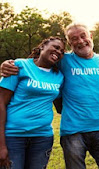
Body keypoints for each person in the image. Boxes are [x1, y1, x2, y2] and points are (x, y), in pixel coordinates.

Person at [0, 23, 99, 169]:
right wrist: (6, 65)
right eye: (74, 39)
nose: (81, 41)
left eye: (83, 36)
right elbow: (37, 64)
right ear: (70, 44)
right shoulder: (63, 60)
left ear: (91, 36)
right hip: (71, 131)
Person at [0, 37, 65, 169]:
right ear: (42, 46)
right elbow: (1, 103)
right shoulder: (19, 66)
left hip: (42, 137)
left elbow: (61, 108)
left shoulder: (59, 77)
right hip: (13, 136)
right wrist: (1, 145)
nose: (58, 52)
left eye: (62, 51)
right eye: (56, 47)